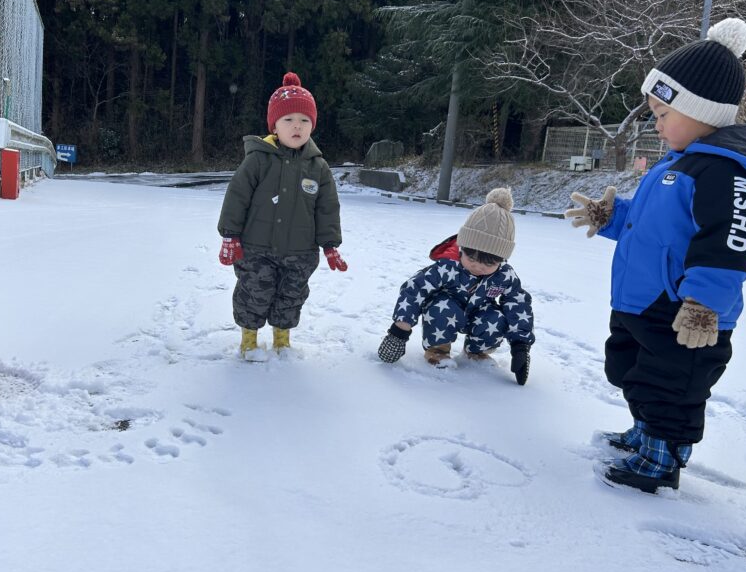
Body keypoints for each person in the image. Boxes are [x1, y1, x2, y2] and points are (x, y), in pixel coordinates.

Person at [565, 18, 746, 493]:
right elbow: (656, 228)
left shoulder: (730, 174)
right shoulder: (678, 165)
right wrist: (612, 217)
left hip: (685, 312)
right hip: (646, 301)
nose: (656, 122)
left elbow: (728, 244)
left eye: (663, 112)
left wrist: (703, 305)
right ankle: (647, 432)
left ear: (701, 112)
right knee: (632, 372)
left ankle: (663, 455)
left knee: (670, 385)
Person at [217, 72, 346, 359]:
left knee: (291, 296)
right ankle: (249, 340)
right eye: (288, 120)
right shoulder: (258, 159)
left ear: (312, 125)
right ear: (274, 125)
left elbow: (327, 208)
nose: (297, 126)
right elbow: (237, 196)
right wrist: (230, 235)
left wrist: (330, 244)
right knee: (254, 293)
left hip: (300, 251)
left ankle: (281, 340)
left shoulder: (318, 167)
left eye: (304, 120)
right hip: (256, 248)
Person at [377, 188, 534, 384]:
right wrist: (400, 330)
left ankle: (476, 353)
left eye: (489, 263)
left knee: (496, 318)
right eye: (472, 257)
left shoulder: (504, 275)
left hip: (477, 316)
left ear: (501, 260)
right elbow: (414, 289)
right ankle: (437, 352)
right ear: (462, 247)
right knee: (441, 308)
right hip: (446, 316)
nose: (478, 266)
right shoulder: (447, 267)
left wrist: (520, 345)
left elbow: (518, 304)